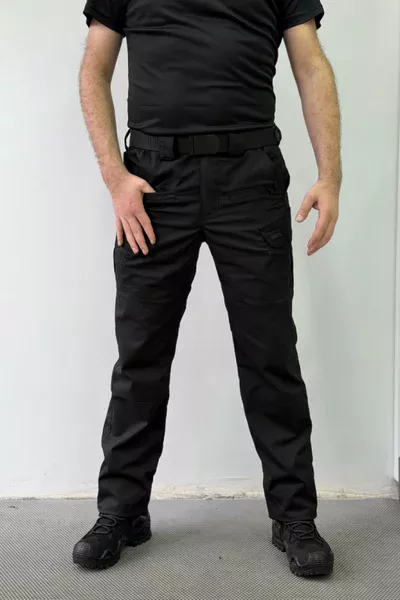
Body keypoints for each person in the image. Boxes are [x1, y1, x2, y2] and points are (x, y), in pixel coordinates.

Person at [73, 0, 341, 577]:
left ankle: (294, 517)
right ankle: (122, 512)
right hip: (153, 185)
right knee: (141, 355)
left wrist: (330, 175)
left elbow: (311, 64)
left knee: (270, 356)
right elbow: (94, 67)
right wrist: (115, 176)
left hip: (250, 179)